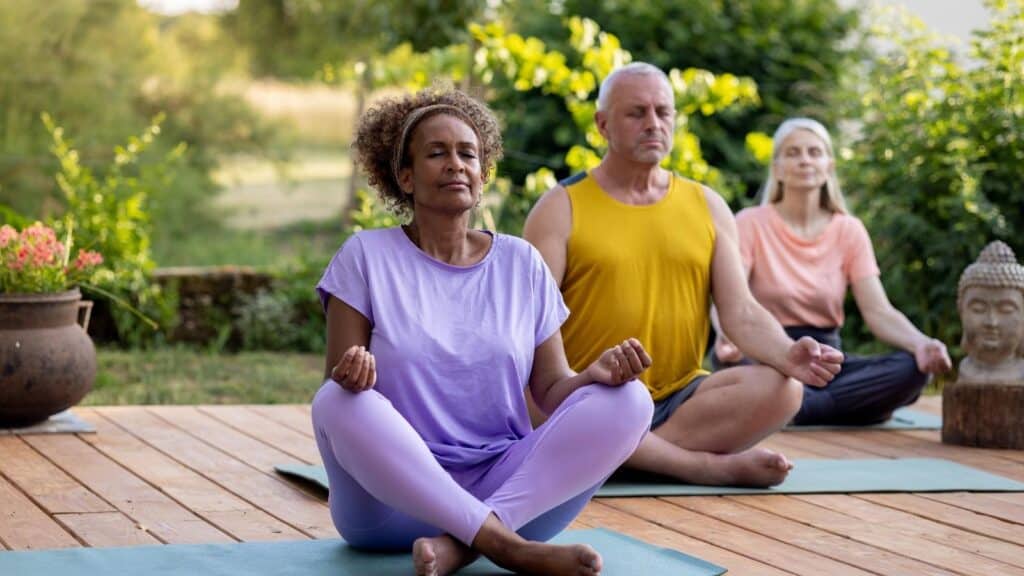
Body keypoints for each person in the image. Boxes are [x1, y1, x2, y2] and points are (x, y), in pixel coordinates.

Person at [311, 87, 654, 576]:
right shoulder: (365, 256)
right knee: (335, 402)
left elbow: (553, 391)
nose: (456, 164)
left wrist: (594, 376)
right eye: (437, 153)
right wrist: (353, 376)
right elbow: (340, 384)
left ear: (483, 172)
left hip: (509, 492)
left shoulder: (521, 263)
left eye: (467, 153)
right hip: (392, 503)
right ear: (404, 178)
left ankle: (465, 543)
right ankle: (508, 548)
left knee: (631, 401)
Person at [523, 62, 844, 488]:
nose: (653, 124)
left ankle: (628, 457)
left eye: (663, 112)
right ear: (603, 124)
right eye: (636, 113)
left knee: (784, 388)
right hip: (590, 397)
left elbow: (741, 312)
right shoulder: (560, 206)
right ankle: (696, 466)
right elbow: (529, 327)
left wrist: (788, 354)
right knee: (531, 400)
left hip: (680, 400)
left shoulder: (706, 205)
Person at [712, 117, 952, 425]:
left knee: (911, 368)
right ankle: (824, 405)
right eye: (793, 153)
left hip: (826, 363)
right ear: (777, 167)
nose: (805, 160)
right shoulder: (748, 223)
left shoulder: (849, 230)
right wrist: (725, 335)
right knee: (747, 373)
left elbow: (878, 312)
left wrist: (921, 344)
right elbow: (730, 298)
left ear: (829, 166)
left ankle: (794, 408)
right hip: (766, 353)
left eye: (814, 152)